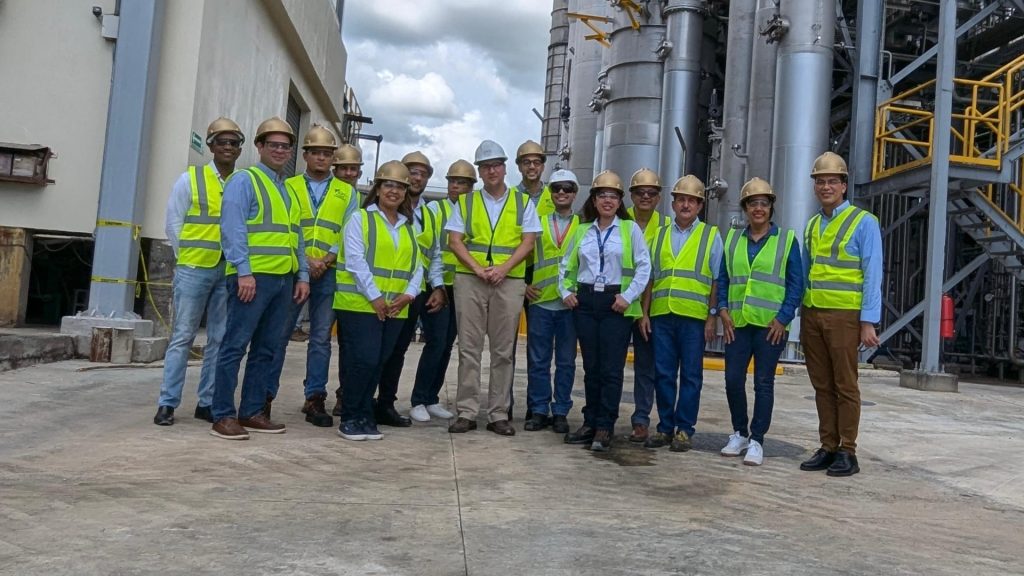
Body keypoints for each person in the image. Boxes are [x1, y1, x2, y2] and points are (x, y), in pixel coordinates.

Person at [209, 116, 310, 440]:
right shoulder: (244, 181)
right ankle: (223, 415)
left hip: (282, 279)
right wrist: (244, 271)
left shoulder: (287, 190)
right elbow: (233, 228)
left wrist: (302, 275)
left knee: (266, 349)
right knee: (234, 346)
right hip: (252, 279)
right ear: (259, 147)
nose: (280, 151)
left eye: (285, 146)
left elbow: (296, 236)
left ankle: (252, 411)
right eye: (273, 145)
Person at [264, 125, 359, 428]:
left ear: (333, 158)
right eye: (315, 152)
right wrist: (305, 260)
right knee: (279, 334)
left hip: (329, 272)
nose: (321, 157)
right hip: (295, 269)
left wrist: (327, 259)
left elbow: (349, 231)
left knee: (320, 338)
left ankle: (315, 397)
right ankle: (265, 395)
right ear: (304, 155)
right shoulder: (288, 186)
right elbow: (284, 225)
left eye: (327, 153)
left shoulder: (347, 192)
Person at [445, 140, 541, 436]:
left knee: (503, 351)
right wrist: (478, 269)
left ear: (505, 167)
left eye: (496, 165)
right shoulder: (466, 202)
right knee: (469, 349)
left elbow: (528, 242)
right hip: (470, 280)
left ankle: (498, 413)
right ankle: (467, 411)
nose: (491, 171)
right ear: (480, 171)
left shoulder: (522, 202)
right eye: (485, 166)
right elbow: (455, 241)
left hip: (508, 281)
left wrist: (503, 269)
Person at [154, 117, 242, 426]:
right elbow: (173, 222)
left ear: (240, 148)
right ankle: (167, 403)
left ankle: (206, 402)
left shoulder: (241, 182)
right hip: (194, 268)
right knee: (182, 337)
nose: (228, 147)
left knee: (219, 339)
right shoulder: (190, 179)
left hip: (227, 269)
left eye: (234, 142)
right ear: (211, 146)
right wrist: (187, 257)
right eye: (222, 142)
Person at [799, 152, 882, 477]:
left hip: (845, 315)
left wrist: (867, 321)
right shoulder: (812, 225)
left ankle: (848, 450)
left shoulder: (864, 222)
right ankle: (828, 446)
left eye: (832, 181)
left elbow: (872, 272)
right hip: (813, 313)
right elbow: (807, 272)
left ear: (844, 185)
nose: (825, 187)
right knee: (822, 384)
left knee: (845, 385)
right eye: (820, 181)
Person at [559, 170, 651, 452]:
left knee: (611, 369)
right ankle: (590, 422)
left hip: (615, 304)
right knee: (591, 367)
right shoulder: (582, 230)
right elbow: (565, 264)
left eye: (613, 196)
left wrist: (628, 296)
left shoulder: (629, 229)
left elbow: (644, 267)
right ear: (594, 200)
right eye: (602, 196)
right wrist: (566, 292)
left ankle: (605, 425)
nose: (607, 201)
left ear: (620, 201)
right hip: (586, 302)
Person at [716, 177, 804, 466]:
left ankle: (757, 440)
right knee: (732, 380)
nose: (758, 208)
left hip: (770, 327)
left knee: (763, 383)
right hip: (737, 324)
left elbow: (796, 285)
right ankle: (739, 433)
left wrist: (783, 318)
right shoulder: (733, 240)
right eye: (753, 203)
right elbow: (724, 279)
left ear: (770, 208)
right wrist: (722, 309)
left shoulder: (786, 241)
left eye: (763, 203)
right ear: (745, 208)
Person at [333, 161, 423, 441]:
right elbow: (356, 262)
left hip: (395, 307)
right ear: (378, 188)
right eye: (388, 185)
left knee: (378, 363)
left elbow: (417, 265)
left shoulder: (409, 226)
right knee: (363, 360)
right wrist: (375, 297)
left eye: (400, 187)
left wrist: (409, 294)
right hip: (360, 304)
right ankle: (350, 417)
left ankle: (365, 416)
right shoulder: (360, 219)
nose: (394, 191)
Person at [642, 175, 723, 452]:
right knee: (663, 374)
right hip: (662, 314)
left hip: (694, 318)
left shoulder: (711, 235)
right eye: (681, 200)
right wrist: (645, 313)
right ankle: (665, 428)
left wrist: (712, 316)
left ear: (700, 206)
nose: (686, 205)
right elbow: (651, 278)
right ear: (673, 203)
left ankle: (684, 430)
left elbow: (717, 280)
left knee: (691, 376)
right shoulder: (659, 235)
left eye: (692, 201)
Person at [372, 151, 445, 427]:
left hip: (412, 292)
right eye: (412, 172)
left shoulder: (429, 214)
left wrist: (437, 286)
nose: (417, 178)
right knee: (376, 351)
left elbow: (433, 254)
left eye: (423, 174)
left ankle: (385, 403)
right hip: (381, 292)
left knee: (398, 350)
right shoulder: (383, 213)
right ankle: (361, 400)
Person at [408, 160, 476, 422]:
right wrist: (436, 285)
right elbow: (434, 249)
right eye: (452, 181)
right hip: (435, 285)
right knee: (435, 342)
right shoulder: (435, 210)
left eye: (462, 183)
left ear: (471, 187)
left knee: (447, 344)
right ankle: (418, 399)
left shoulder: (474, 212)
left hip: (462, 285)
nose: (456, 186)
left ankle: (431, 398)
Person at [523, 169, 580, 434]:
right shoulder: (537, 223)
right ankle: (538, 410)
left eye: (567, 188)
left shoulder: (584, 226)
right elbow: (521, 255)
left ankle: (560, 411)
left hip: (570, 305)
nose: (561, 193)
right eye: (556, 188)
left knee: (566, 362)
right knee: (538, 361)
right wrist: (523, 285)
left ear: (575, 193)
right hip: (541, 301)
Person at [623, 168, 672, 443]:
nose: (645, 197)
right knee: (610, 366)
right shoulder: (620, 220)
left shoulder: (667, 227)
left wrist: (645, 311)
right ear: (631, 196)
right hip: (619, 304)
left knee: (646, 367)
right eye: (640, 192)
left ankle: (641, 420)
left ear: (658, 197)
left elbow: (657, 271)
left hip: (648, 309)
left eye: (651, 193)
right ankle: (603, 417)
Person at [514, 140, 555, 216]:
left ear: (543, 167)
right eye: (526, 162)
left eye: (536, 163)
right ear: (519, 167)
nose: (532, 167)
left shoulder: (554, 196)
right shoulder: (508, 196)